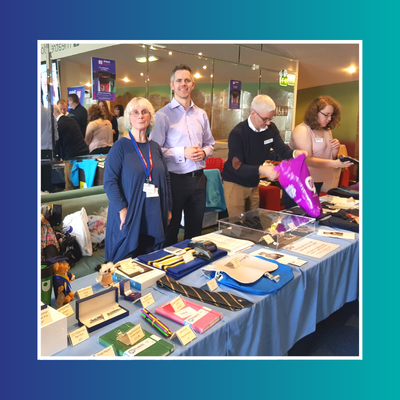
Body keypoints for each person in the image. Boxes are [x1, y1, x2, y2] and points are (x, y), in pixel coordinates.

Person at [150, 64, 215, 246]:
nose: (183, 84)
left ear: (192, 84)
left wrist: (204, 152)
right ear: (172, 85)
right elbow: (155, 151)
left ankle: (192, 268)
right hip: (174, 181)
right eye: (179, 80)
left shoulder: (201, 114)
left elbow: (210, 144)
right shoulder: (162, 116)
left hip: (199, 179)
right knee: (170, 232)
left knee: (195, 232)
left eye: (187, 80)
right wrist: (182, 152)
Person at [103, 97, 172, 263]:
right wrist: (122, 209)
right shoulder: (119, 147)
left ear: (150, 117)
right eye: (135, 112)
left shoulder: (155, 147)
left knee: (151, 263)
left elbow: (166, 179)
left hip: (154, 215)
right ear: (129, 118)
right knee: (125, 266)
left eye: (144, 112)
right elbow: (109, 181)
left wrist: (168, 208)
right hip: (129, 214)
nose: (140, 116)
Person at [221, 94, 307, 217]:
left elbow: (282, 150)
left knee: (254, 219)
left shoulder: (271, 129)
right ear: (253, 113)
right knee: (238, 224)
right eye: (265, 119)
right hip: (235, 182)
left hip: (253, 181)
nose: (268, 123)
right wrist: (263, 169)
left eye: (271, 119)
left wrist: (295, 153)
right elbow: (237, 166)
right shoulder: (238, 133)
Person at [286, 95, 354, 207]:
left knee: (311, 217)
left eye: (331, 115)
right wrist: (336, 163)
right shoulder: (302, 130)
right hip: (299, 181)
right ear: (315, 112)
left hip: (317, 179)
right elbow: (307, 160)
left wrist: (335, 150)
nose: (329, 119)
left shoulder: (326, 130)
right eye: (326, 115)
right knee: (296, 217)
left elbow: (329, 157)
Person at [53, 104, 89, 190]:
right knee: (82, 181)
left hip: (71, 155)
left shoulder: (59, 124)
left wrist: (56, 156)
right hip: (83, 152)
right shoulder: (71, 120)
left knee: (69, 183)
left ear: (53, 114)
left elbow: (58, 142)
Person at [41, 104, 59, 192]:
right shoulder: (49, 114)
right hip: (47, 151)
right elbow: (56, 137)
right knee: (47, 184)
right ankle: (49, 205)